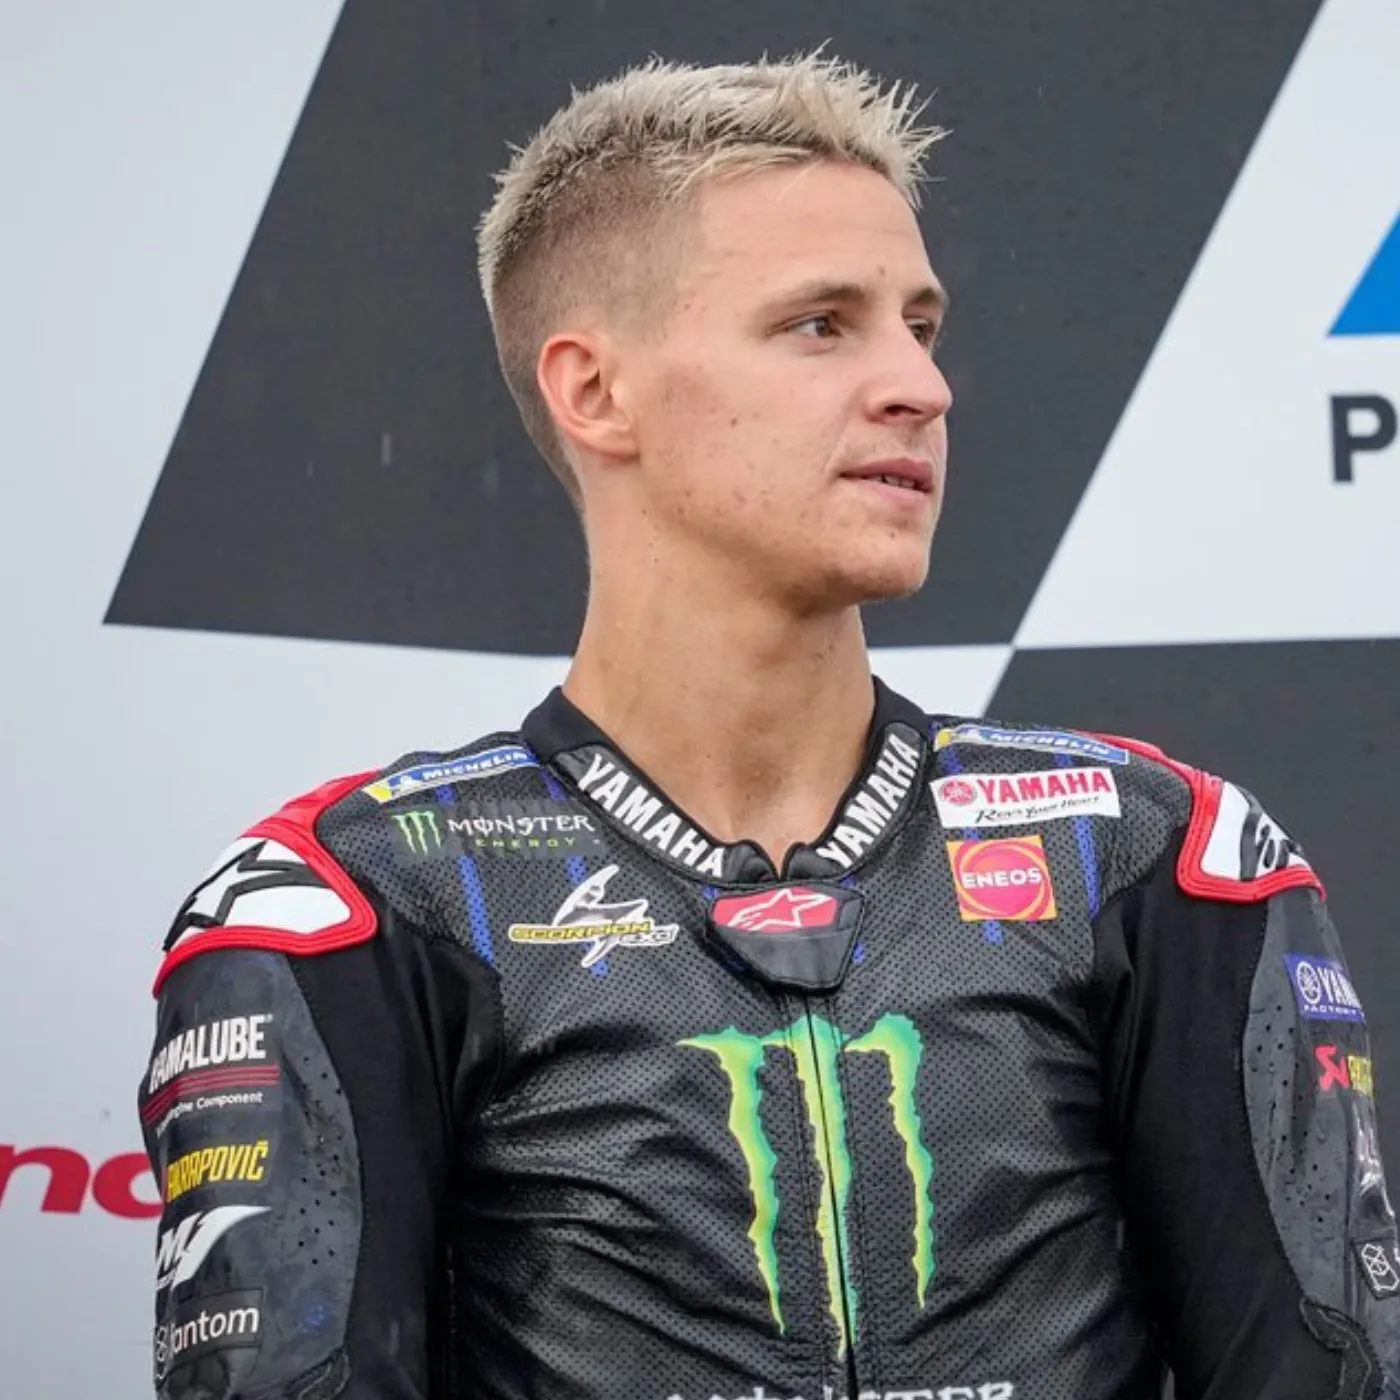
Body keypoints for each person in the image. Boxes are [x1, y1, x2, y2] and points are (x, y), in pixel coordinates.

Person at [137, 52, 1400, 1400]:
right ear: (594, 391)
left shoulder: (1159, 859)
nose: (921, 388)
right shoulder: (351, 904)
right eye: (820, 325)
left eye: (921, 326)